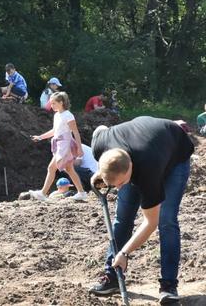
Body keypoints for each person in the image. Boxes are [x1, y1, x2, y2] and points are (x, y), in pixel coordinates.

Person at [88, 117, 194, 303]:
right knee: (122, 218)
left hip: (175, 153)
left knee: (166, 220)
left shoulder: (148, 170)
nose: (119, 188)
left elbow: (150, 223)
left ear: (131, 168)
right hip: (141, 146)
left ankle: (168, 286)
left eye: (121, 183)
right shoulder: (100, 144)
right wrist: (100, 174)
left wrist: (124, 253)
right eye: (114, 184)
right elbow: (101, 128)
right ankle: (112, 276)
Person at [29, 92, 88, 201]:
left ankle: (42, 193)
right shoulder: (57, 115)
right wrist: (40, 137)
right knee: (69, 169)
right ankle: (81, 193)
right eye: (51, 103)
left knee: (52, 168)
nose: (52, 106)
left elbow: (75, 132)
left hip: (65, 145)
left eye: (54, 103)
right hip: (59, 144)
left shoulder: (68, 115)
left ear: (61, 102)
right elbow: (54, 131)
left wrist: (79, 148)